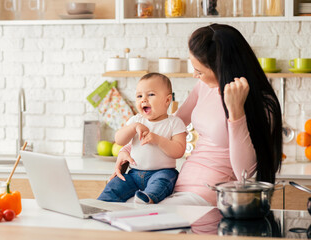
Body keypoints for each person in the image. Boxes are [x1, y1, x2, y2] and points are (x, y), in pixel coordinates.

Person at [109, 23, 282, 206]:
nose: (194, 75)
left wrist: (236, 112)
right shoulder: (205, 86)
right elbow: (169, 124)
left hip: (211, 195)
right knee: (115, 206)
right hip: (178, 186)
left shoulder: (262, 103)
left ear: (223, 68)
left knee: (135, 216)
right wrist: (126, 149)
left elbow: (244, 173)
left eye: (199, 71)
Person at [97, 72, 187, 204]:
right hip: (134, 173)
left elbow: (179, 151)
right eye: (139, 96)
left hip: (162, 172)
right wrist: (133, 127)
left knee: (165, 181)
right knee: (116, 183)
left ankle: (147, 198)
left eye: (150, 94)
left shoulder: (174, 122)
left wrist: (158, 140)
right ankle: (100, 204)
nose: (143, 99)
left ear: (167, 100)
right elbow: (119, 140)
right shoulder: (136, 120)